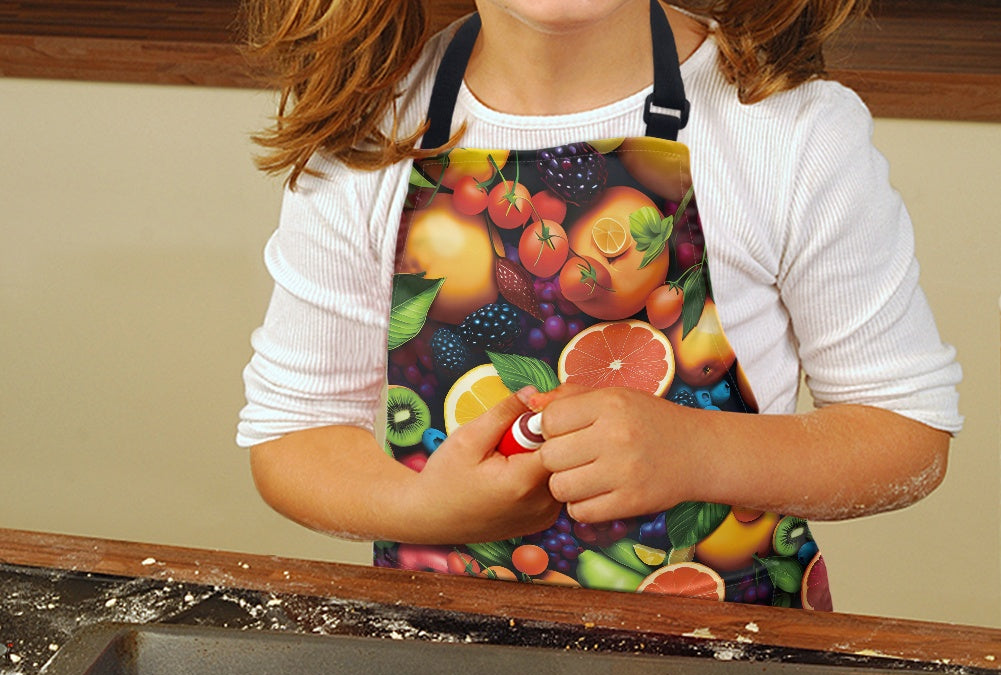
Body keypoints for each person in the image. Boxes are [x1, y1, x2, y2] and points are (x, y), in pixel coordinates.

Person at [237, 0, 961, 605]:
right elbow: (295, 432)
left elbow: (906, 435)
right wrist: (423, 509)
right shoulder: (367, 130)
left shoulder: (788, 130)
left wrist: (700, 451)